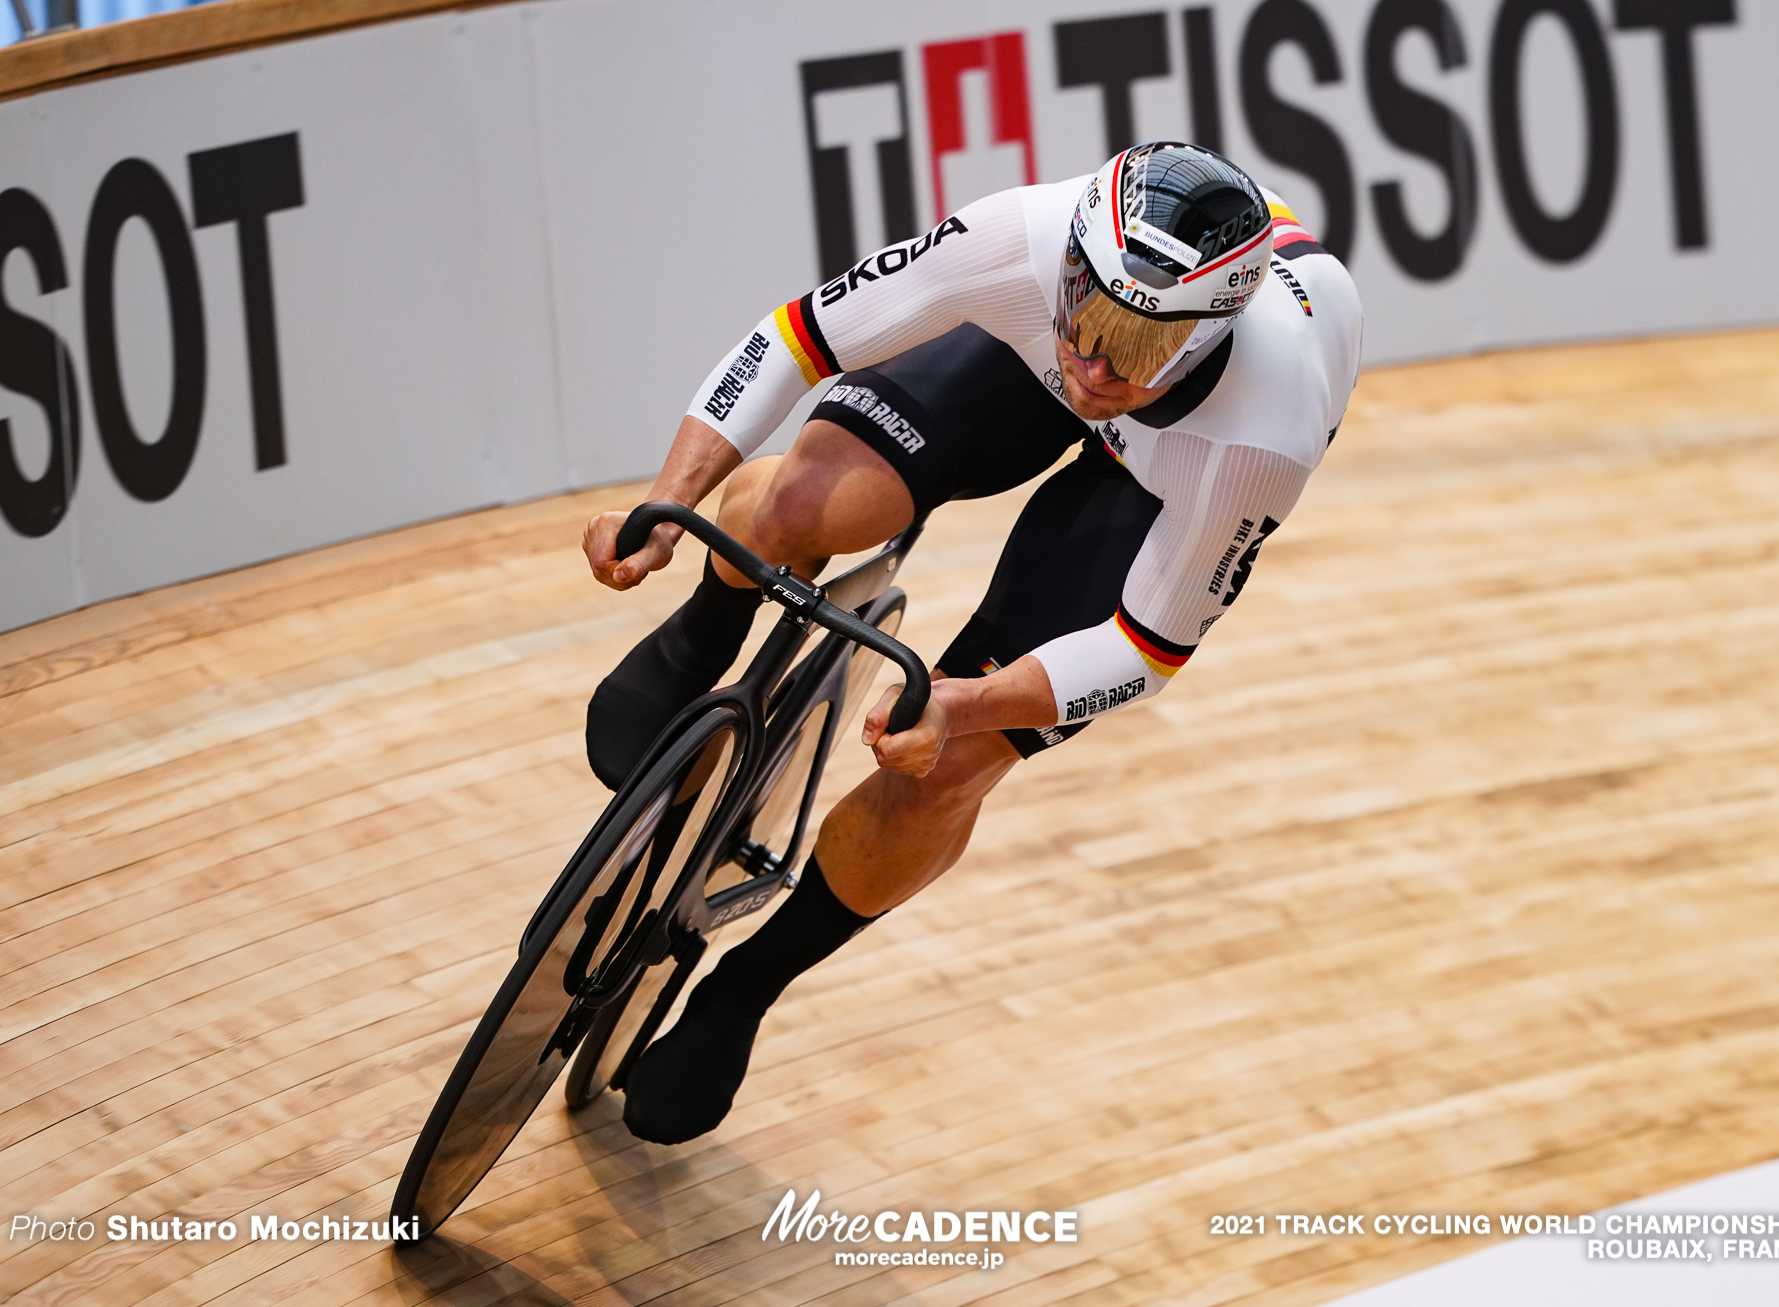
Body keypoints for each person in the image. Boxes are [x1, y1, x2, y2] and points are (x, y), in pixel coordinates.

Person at [579, 142, 1361, 1144]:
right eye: (1088, 314)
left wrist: (968, 704)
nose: (1094, 363)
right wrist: (668, 500)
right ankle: (708, 622)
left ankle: (744, 988)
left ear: (1211, 333)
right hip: (1017, 361)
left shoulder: (1260, 436)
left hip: (1166, 469)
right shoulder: (1021, 240)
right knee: (810, 498)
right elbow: (796, 338)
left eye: (1138, 344)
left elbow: (1148, 646)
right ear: (1071, 261)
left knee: (948, 763)